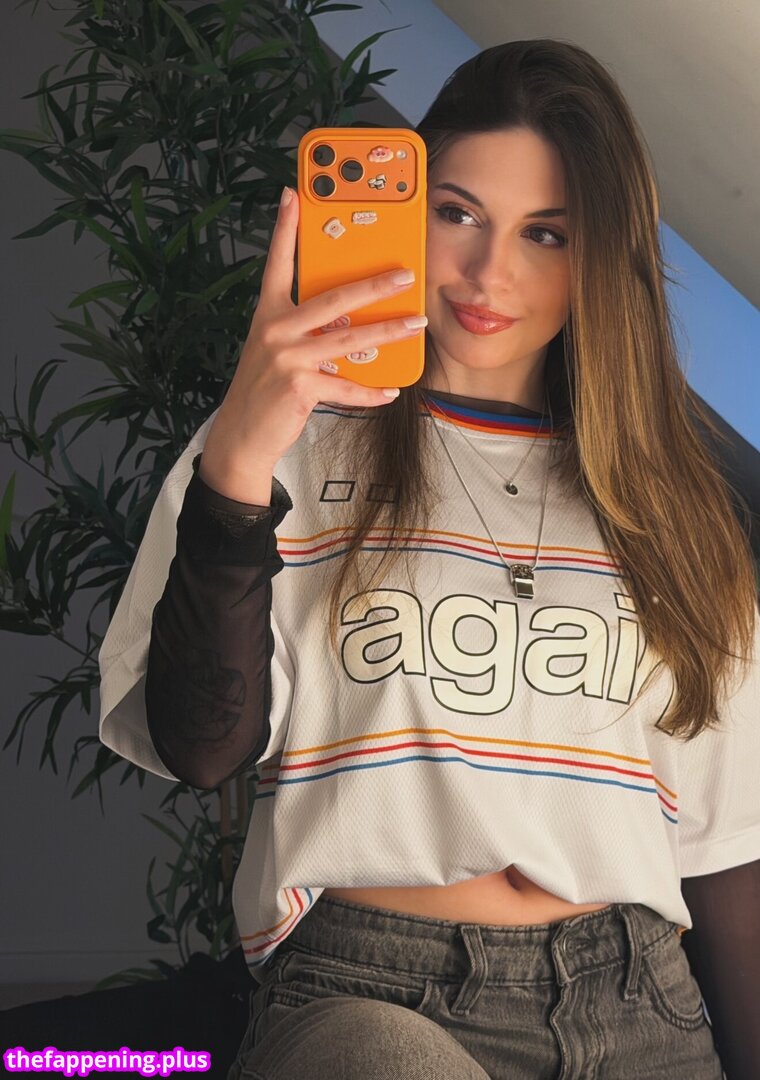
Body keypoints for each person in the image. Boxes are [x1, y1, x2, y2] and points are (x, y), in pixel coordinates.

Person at [98, 39, 760, 1080]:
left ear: (599, 260)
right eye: (458, 213)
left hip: (641, 1004)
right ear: (407, 213)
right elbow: (203, 748)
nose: (491, 272)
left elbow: (727, 849)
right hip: (374, 996)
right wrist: (237, 460)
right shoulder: (278, 448)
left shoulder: (673, 504)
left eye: (545, 232)